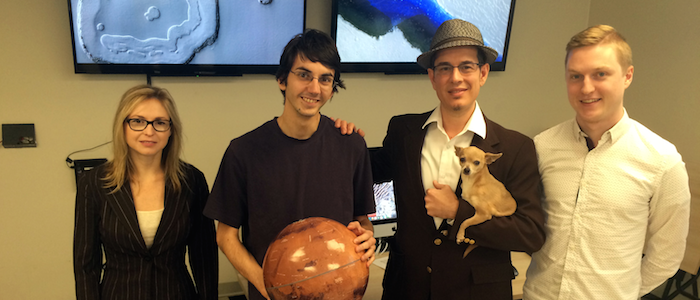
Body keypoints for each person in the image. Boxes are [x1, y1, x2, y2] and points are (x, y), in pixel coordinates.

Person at [369, 19, 546, 300]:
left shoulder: (515, 147)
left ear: (483, 73)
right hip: (406, 289)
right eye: (445, 68)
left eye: (466, 66)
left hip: (477, 293)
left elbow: (529, 234)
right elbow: (362, 172)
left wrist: (459, 212)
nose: (456, 77)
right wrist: (337, 134)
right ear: (432, 77)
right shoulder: (403, 132)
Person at [203, 29, 377, 300]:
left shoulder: (351, 146)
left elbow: (362, 221)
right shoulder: (244, 151)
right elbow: (226, 236)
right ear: (282, 80)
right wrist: (268, 285)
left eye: (325, 79)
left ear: (333, 88)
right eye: (304, 75)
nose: (314, 88)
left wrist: (367, 237)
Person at [523, 25, 691, 300]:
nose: (586, 87)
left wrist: (620, 293)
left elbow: (666, 256)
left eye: (600, 74)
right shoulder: (543, 146)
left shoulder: (662, 161)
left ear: (627, 76)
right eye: (575, 76)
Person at [73, 85, 218, 300]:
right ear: (123, 127)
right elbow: (86, 264)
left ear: (170, 130)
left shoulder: (192, 180)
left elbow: (204, 256)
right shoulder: (94, 183)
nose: (149, 131)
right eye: (138, 121)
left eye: (159, 123)